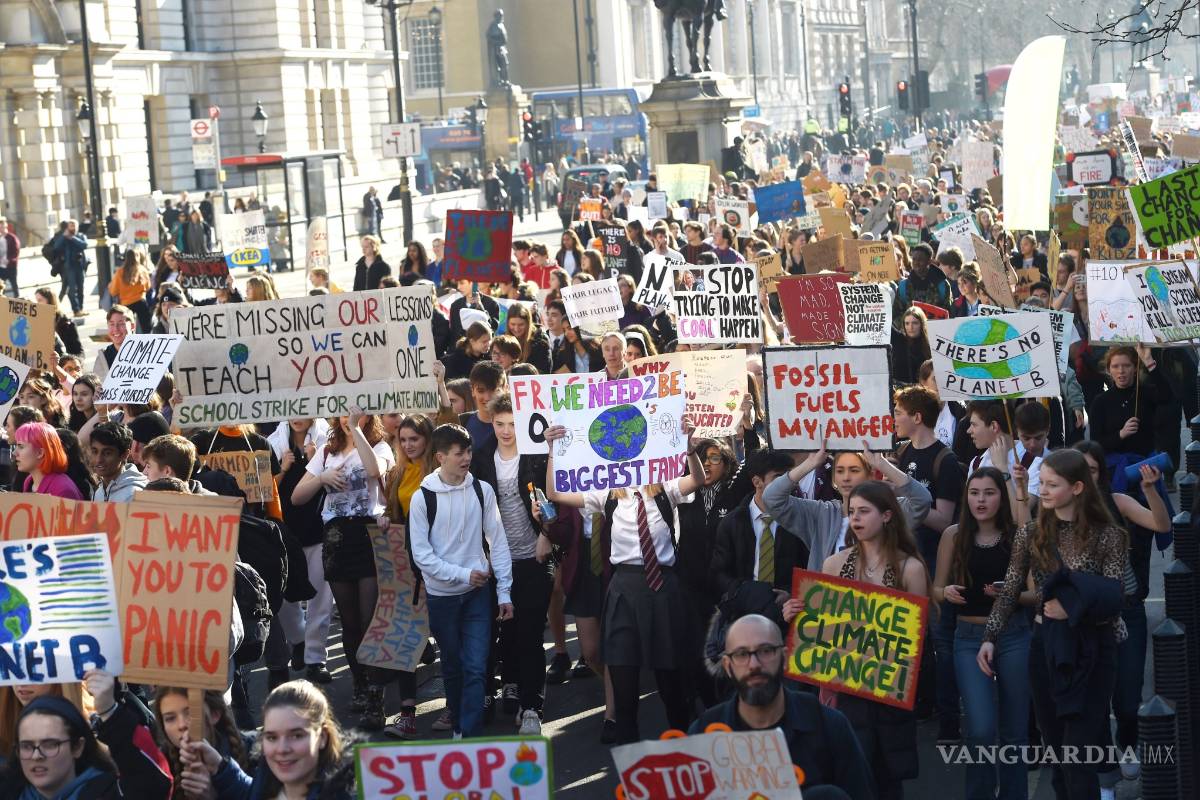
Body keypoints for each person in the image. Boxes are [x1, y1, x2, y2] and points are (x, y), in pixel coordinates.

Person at [543, 422, 706, 744]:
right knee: (624, 679)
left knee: (672, 686)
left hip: (662, 588)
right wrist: (551, 451)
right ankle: (630, 762)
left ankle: (686, 754)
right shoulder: (606, 494)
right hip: (624, 588)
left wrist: (688, 446)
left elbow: (698, 479)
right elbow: (555, 493)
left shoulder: (667, 489)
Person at [978, 449, 1127, 800]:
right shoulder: (1031, 533)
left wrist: (1073, 610)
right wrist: (990, 638)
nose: (1041, 490)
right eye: (1040, 482)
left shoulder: (1110, 535)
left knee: (1078, 754)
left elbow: (1114, 595)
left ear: (1077, 487)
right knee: (1058, 752)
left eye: (1050, 484)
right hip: (1046, 646)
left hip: (1093, 648)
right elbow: (1011, 588)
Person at [807, 481, 931, 800]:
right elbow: (821, 628)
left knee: (888, 781)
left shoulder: (910, 568)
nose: (856, 519)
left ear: (887, 515)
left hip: (888, 691)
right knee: (849, 775)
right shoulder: (833, 564)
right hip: (843, 690)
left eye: (864, 511)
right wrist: (800, 611)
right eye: (851, 512)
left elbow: (918, 637)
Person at [690, 614, 875, 800]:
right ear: (728, 666)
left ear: (785, 657)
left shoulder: (829, 726)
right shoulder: (702, 735)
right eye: (742, 654)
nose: (754, 664)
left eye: (766, 650)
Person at [408, 424, 513, 739]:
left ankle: (468, 735)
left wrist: (505, 592)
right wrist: (462, 574)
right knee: (452, 667)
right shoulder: (422, 498)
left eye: (468, 451)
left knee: (476, 667)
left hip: (478, 595)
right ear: (441, 457)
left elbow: (498, 541)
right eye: (458, 453)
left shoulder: (483, 490)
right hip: (442, 598)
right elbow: (422, 557)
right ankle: (458, 723)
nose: (466, 458)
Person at [933, 467, 1033, 800]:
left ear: (1001, 498)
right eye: (974, 492)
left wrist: (1010, 595)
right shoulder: (953, 535)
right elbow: (935, 588)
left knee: (1015, 732)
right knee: (980, 730)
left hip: (1015, 634)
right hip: (967, 637)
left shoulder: (1017, 535)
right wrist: (944, 592)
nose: (981, 500)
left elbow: (1038, 594)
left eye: (989, 492)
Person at [291, 409, 393, 728]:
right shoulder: (326, 451)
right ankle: (361, 684)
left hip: (369, 533)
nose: (349, 416)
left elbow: (376, 471)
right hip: (337, 536)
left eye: (357, 411)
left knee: (368, 617)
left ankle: (376, 693)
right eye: (343, 412)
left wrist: (356, 432)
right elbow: (296, 497)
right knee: (349, 621)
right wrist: (320, 478)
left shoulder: (380, 446)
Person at [470, 395, 552, 735]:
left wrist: (547, 533)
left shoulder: (536, 454)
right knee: (502, 633)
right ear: (491, 422)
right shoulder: (481, 457)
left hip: (533, 555)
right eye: (500, 423)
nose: (506, 431)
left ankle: (532, 706)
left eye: (512, 423)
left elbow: (554, 497)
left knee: (531, 633)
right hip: (496, 560)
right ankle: (508, 687)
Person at [764, 442, 932, 572]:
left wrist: (882, 464)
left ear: (870, 475)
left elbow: (922, 501)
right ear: (833, 479)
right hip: (830, 609)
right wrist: (810, 463)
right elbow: (772, 498)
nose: (846, 478)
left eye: (854, 470)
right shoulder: (821, 514)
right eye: (840, 471)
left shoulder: (886, 511)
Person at [182, 680, 354, 800]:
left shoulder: (349, 793)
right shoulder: (265, 777)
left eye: (296, 735)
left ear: (322, 737)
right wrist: (220, 768)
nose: (282, 748)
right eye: (271, 737)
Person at [0, 690, 172, 800]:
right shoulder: (9, 791)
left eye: (50, 744)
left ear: (77, 747)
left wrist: (109, 711)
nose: (37, 756)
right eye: (27, 746)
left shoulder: (107, 793)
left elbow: (151, 787)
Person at [268, 417, 334, 688]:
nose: (297, 417)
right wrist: (282, 468)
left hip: (318, 528)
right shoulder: (273, 444)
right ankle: (299, 640)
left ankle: (316, 658)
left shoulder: (327, 441)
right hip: (284, 531)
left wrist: (317, 462)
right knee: (284, 596)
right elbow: (264, 488)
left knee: (321, 597)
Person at [153, 687, 250, 800]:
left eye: (190, 713)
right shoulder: (157, 771)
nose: (181, 725)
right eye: (170, 718)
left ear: (215, 714)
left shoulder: (255, 753)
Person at [1087, 344, 1171, 462]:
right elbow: (1095, 444)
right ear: (1109, 370)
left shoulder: (1146, 393)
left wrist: (1148, 361)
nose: (1121, 371)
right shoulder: (1100, 402)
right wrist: (1121, 434)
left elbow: (1167, 396)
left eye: (1126, 366)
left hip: (1146, 462)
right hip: (1115, 467)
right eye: (1115, 366)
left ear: (1135, 368)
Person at [13, 422, 81, 499]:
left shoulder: (63, 490)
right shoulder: (29, 481)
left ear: (40, 453)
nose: (14, 453)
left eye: (21, 446)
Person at [90, 421, 148, 502]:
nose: (98, 459)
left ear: (125, 454)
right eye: (95, 452)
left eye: (107, 453)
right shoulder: (98, 493)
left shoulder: (134, 496)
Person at [894, 242, 952, 315]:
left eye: (920, 260)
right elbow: (896, 313)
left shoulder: (942, 285)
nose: (916, 263)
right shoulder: (904, 286)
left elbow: (948, 313)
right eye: (914, 259)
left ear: (929, 261)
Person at [108, 249, 152, 332]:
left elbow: (114, 291)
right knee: (147, 328)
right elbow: (148, 286)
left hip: (126, 304)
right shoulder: (142, 270)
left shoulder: (120, 272)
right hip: (140, 301)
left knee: (127, 328)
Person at [52, 219, 89, 317]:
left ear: (77, 227)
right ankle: (76, 310)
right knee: (72, 290)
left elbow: (84, 245)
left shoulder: (81, 236)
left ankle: (80, 309)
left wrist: (72, 238)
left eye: (73, 225)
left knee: (81, 289)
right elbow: (56, 247)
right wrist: (64, 237)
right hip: (69, 267)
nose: (72, 227)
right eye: (70, 225)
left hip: (80, 266)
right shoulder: (64, 237)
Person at [891, 307, 932, 386]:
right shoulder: (899, 340)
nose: (910, 327)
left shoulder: (931, 345)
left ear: (922, 324)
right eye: (907, 323)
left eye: (915, 323)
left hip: (925, 394)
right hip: (901, 393)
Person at [91, 305, 135, 378]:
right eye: (112, 324)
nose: (116, 329)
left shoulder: (147, 352)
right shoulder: (103, 358)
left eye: (121, 324)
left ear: (132, 326)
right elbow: (97, 386)